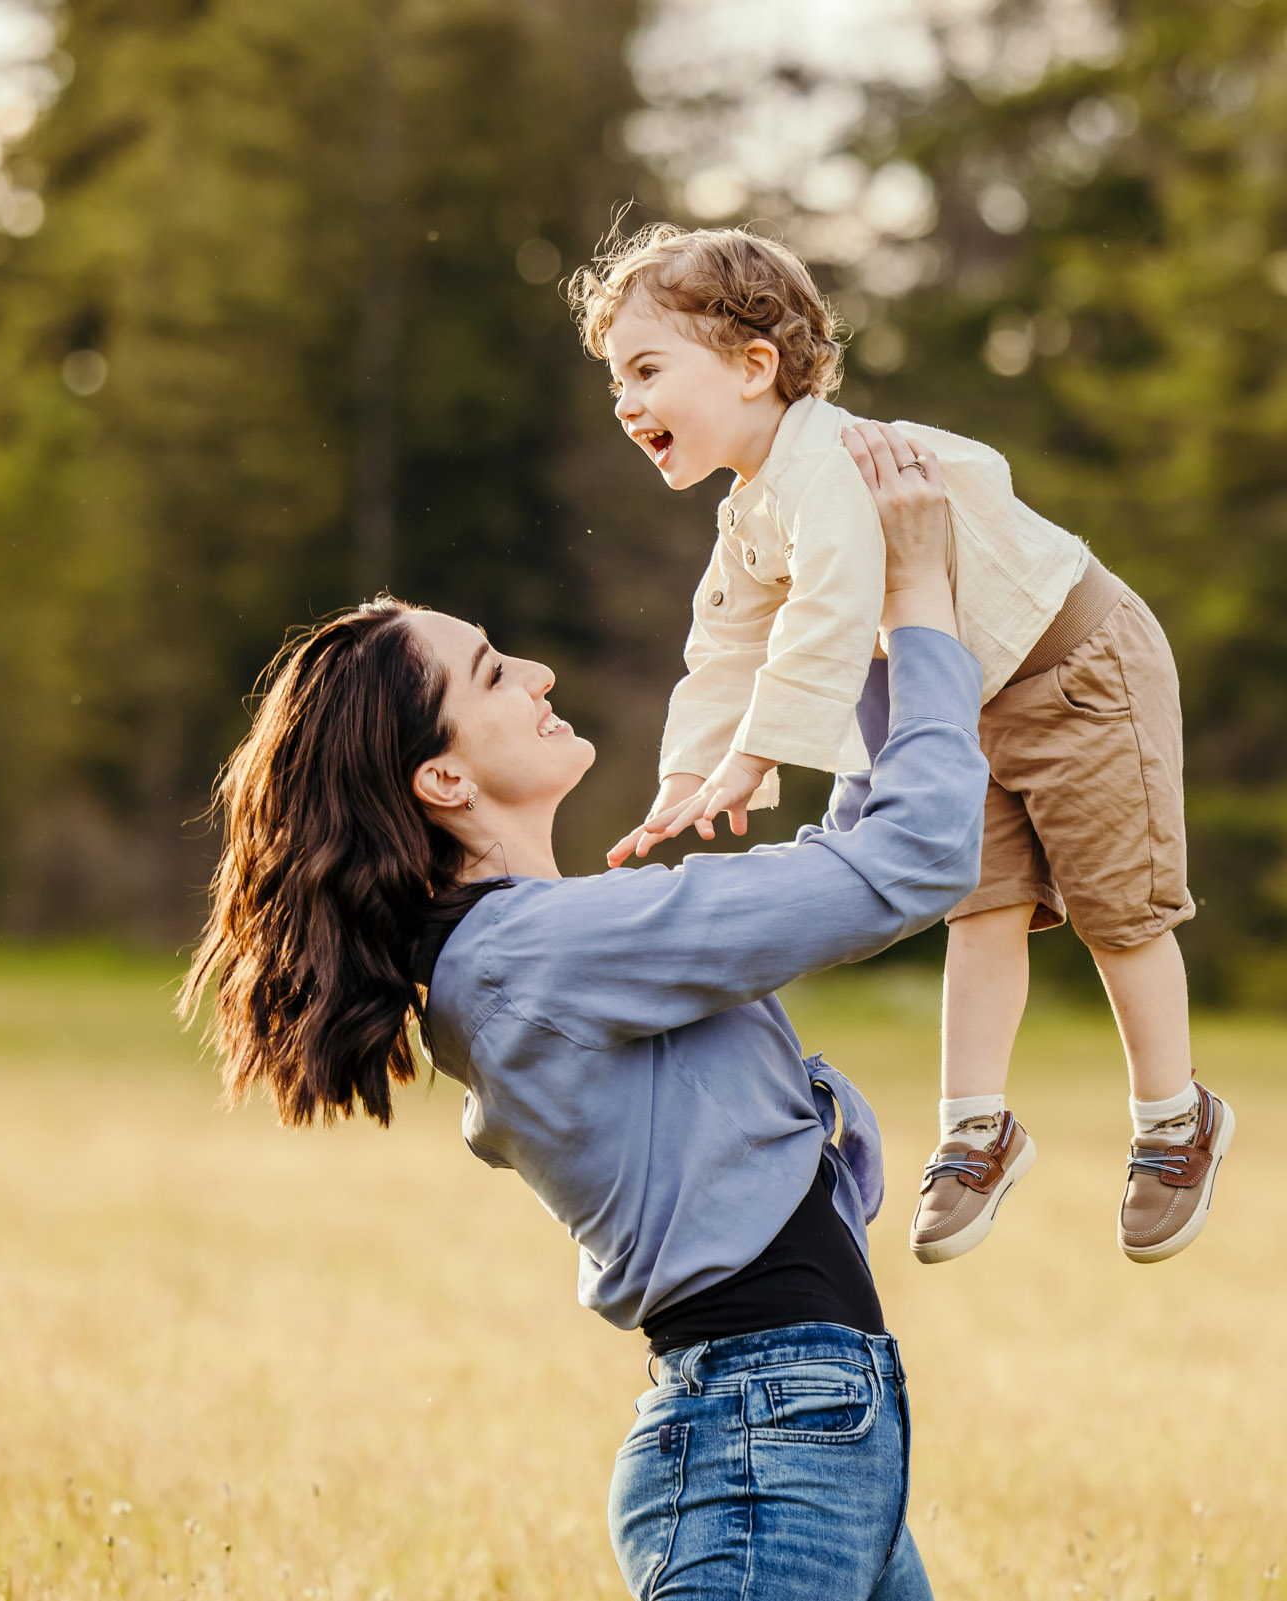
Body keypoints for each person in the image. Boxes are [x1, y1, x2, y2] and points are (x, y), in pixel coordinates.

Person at [180, 424, 975, 1600]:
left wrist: (867, 641)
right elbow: (915, 858)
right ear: (442, 780)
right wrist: (919, 602)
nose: (538, 672)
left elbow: (862, 856)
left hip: (806, 1427)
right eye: (493, 673)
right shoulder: (536, 955)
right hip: (773, 1437)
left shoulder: (532, 950)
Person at [567, 224, 1234, 1270]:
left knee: (1118, 905)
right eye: (618, 381)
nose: (627, 400)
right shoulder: (750, 513)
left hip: (1077, 669)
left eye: (648, 369)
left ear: (752, 367)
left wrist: (763, 755)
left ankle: (1173, 1119)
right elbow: (725, 643)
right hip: (967, 701)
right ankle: (977, 1128)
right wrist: (690, 774)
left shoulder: (830, 466)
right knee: (979, 903)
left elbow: (831, 617)